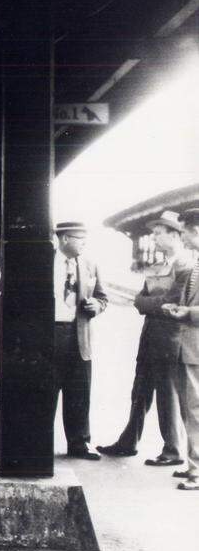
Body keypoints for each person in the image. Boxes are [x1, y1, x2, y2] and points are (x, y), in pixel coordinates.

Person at [98, 211, 193, 464]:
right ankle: (128, 442)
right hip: (151, 334)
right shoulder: (160, 265)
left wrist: (144, 303)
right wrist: (147, 303)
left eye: (160, 232)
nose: (155, 237)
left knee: (166, 394)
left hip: (170, 338)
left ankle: (173, 450)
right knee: (139, 391)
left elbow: (172, 302)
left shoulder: (185, 265)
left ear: (175, 235)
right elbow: (147, 300)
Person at [51, 221, 108, 460]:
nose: (84, 243)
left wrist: (98, 306)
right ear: (64, 239)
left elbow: (102, 297)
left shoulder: (89, 264)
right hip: (49, 334)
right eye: (79, 238)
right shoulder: (42, 260)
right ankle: (38, 442)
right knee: (45, 391)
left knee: (79, 392)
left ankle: (80, 443)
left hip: (79, 336)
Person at [162, 208, 199, 491]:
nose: (182, 236)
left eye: (184, 230)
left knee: (196, 408)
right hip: (187, 346)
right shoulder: (195, 263)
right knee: (190, 408)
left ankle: (198, 471)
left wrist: (187, 312)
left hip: (196, 346)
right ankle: (193, 464)